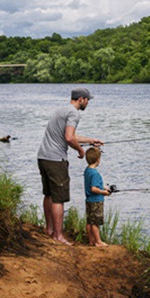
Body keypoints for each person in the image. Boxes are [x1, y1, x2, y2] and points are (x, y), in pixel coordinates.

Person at [37, 88, 102, 245]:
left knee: (49, 194)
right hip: (56, 160)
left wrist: (90, 141)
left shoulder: (61, 110)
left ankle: (49, 229)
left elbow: (70, 135)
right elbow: (68, 137)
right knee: (59, 198)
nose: (88, 103)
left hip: (43, 157)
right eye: (87, 100)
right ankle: (58, 236)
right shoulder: (74, 113)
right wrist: (80, 150)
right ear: (81, 99)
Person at [83, 146, 112, 247]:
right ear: (98, 160)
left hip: (89, 200)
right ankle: (98, 242)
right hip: (96, 200)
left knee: (89, 221)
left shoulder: (87, 171)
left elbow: (95, 185)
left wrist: (105, 188)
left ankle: (91, 241)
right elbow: (94, 188)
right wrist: (104, 193)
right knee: (95, 223)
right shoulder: (95, 173)